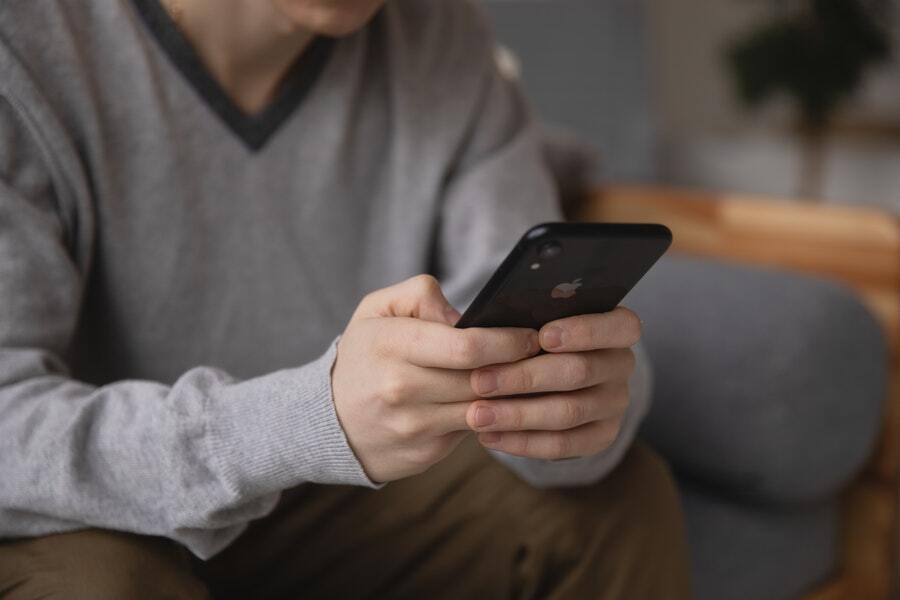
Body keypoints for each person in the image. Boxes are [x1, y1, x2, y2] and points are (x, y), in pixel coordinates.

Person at [0, 0, 691, 597]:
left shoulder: (440, 39)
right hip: (89, 517)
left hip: (323, 510)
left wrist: (578, 409)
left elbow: (523, 298)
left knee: (618, 499)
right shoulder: (26, 48)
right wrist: (306, 419)